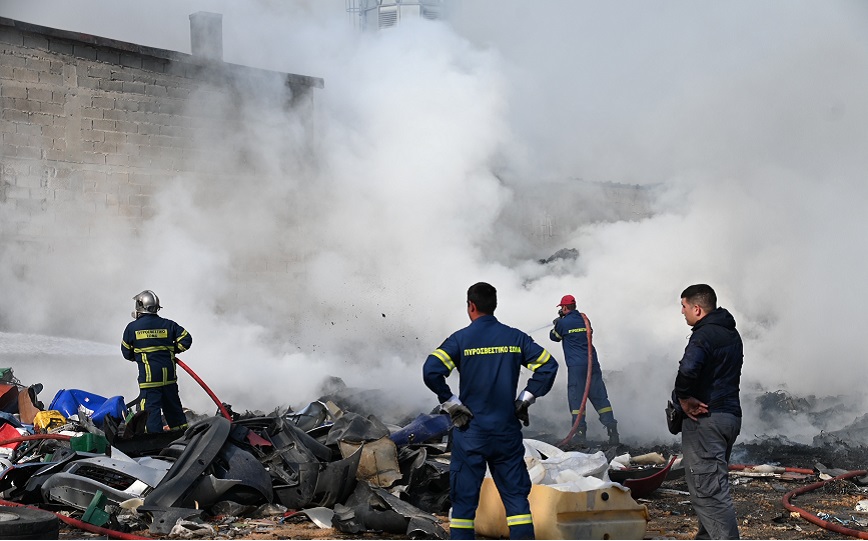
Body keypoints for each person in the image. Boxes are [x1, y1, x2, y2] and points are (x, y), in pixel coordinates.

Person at [423, 282, 558, 540]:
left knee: (463, 506)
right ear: (494, 305)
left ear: (471, 306)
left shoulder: (461, 339)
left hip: (471, 431)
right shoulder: (515, 338)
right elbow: (548, 365)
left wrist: (451, 402)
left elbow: (431, 371)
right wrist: (525, 399)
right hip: (506, 432)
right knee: (517, 503)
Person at [671, 284, 743, 539]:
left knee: (709, 493)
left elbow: (689, 369)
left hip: (705, 421)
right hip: (729, 419)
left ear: (697, 309)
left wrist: (683, 399)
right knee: (710, 487)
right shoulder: (731, 334)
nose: (682, 312)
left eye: (684, 306)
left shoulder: (703, 335)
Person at [550, 294, 619, 446]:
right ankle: (613, 431)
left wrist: (558, 323)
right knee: (601, 398)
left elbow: (553, 337)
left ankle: (580, 434)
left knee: (577, 399)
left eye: (562, 307)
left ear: (565, 307)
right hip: (592, 364)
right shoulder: (584, 320)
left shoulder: (563, 323)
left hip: (577, 367)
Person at [121, 290, 192, 433]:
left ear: (140, 305)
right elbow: (186, 339)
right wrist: (171, 350)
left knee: (150, 410)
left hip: (150, 379)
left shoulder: (132, 328)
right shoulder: (168, 324)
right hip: (169, 378)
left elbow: (126, 352)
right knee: (173, 407)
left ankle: (153, 441)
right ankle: (181, 434)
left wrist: (139, 356)